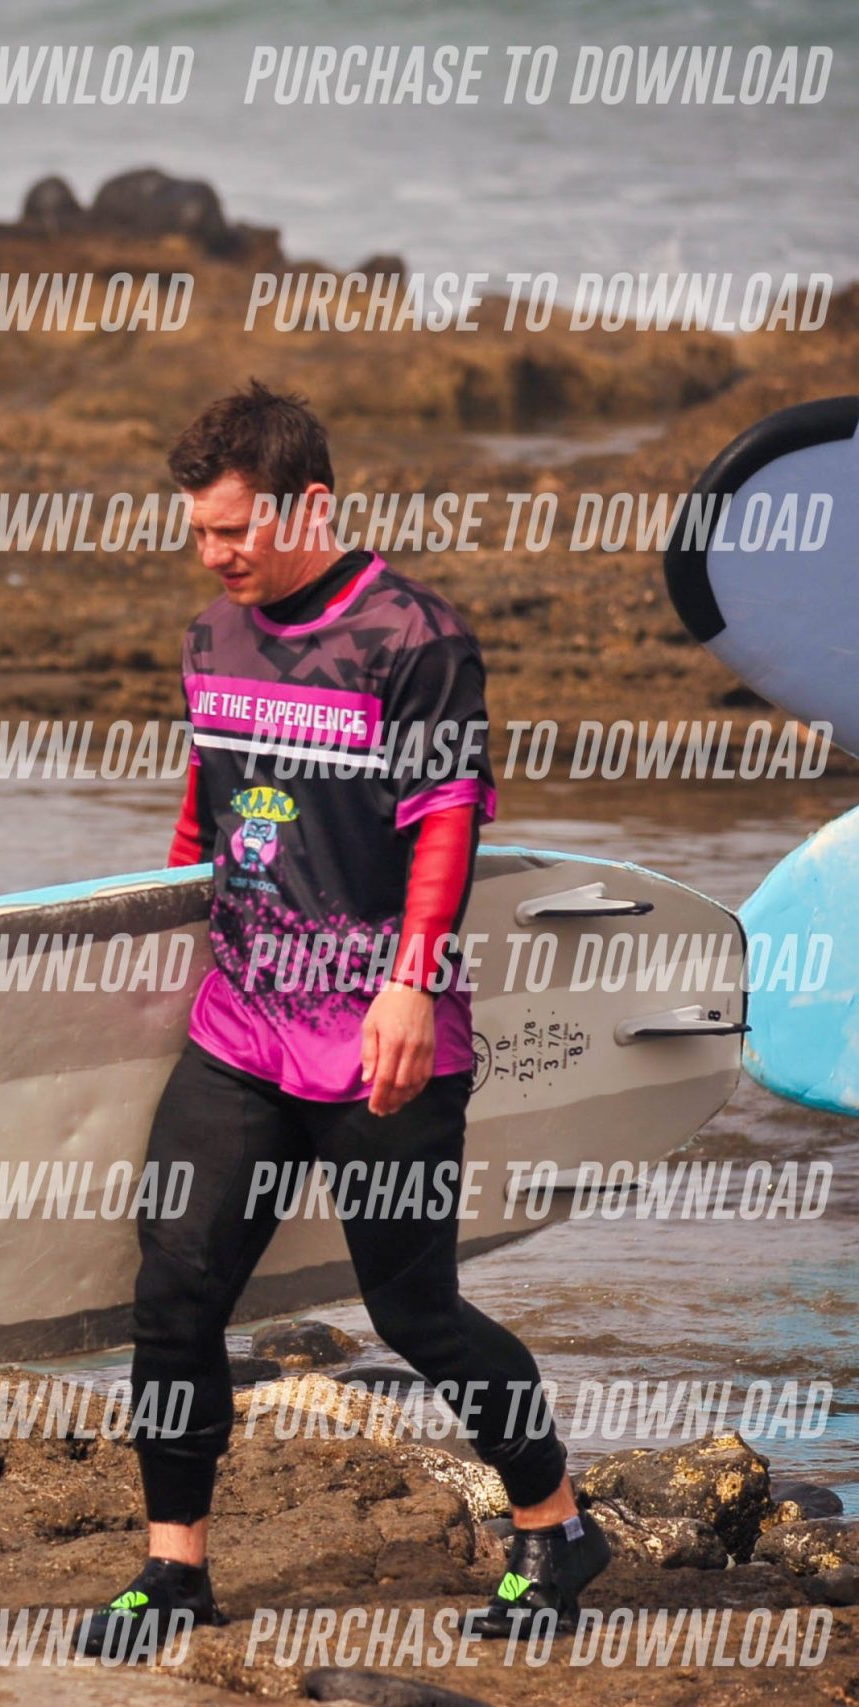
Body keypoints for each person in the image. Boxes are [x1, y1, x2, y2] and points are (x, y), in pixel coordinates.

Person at [77, 382, 605, 1657]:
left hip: (384, 1031)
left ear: (308, 504)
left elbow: (445, 821)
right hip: (241, 1022)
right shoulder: (212, 634)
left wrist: (411, 985)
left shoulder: (413, 639)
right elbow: (206, 809)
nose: (213, 555)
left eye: (233, 531)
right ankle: (174, 1569)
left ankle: (553, 1520)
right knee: (175, 1292)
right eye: (199, 533)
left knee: (415, 1314)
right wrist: (153, 949)